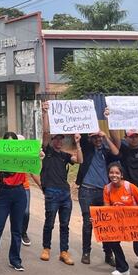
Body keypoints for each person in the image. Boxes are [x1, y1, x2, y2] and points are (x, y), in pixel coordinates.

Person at [0, 132, 42, 272]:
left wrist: (39, 156)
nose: (10, 145)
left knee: (17, 230)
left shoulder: (22, 156)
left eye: (12, 142)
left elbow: (34, 164)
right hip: (3, 193)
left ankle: (15, 260)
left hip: (19, 193)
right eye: (7, 142)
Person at [105, 109, 138, 265]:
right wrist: (109, 118)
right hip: (132, 196)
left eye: (136, 135)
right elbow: (114, 135)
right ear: (126, 137)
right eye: (131, 136)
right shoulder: (124, 149)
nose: (134, 138)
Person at [39, 102, 83, 266]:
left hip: (65, 193)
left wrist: (77, 143)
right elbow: (45, 132)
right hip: (51, 191)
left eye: (60, 139)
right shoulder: (47, 151)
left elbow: (79, 160)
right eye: (55, 139)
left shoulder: (65, 155)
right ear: (51, 141)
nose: (58, 141)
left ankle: (64, 251)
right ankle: (46, 248)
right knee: (49, 222)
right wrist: (45, 114)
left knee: (65, 224)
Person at [100, 162, 138, 275]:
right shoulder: (107, 189)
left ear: (121, 175)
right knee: (113, 242)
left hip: (136, 224)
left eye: (117, 173)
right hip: (119, 223)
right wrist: (97, 218)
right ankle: (123, 268)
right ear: (108, 174)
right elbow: (106, 208)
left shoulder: (130, 187)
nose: (114, 175)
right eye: (111, 173)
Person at [75, 131, 119, 265]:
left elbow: (116, 153)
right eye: (94, 137)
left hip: (104, 192)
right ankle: (86, 252)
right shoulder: (87, 148)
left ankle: (108, 253)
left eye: (99, 137)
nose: (98, 139)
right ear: (90, 139)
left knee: (105, 223)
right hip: (86, 190)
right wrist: (80, 139)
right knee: (88, 222)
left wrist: (105, 136)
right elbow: (79, 133)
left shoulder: (106, 151)